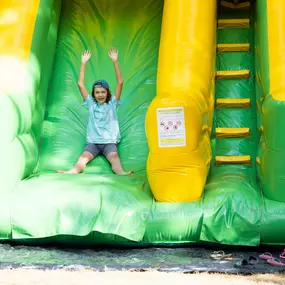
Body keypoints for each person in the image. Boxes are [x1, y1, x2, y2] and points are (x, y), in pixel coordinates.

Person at [56, 48, 133, 175]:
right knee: (83, 157)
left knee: (114, 158)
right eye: (97, 92)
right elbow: (80, 84)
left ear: (108, 92)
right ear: (94, 94)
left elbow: (120, 82)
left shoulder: (112, 103)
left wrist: (115, 61)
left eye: (103, 92)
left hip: (109, 142)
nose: (100, 95)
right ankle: (72, 171)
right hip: (93, 142)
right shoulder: (91, 104)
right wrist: (83, 63)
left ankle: (121, 172)